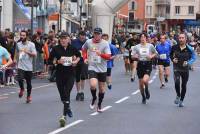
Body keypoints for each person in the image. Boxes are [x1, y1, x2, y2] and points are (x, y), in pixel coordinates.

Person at [49, 32, 81, 127]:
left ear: (68, 39)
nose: (63, 40)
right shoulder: (56, 49)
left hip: (70, 74)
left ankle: (63, 116)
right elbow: (49, 60)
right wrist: (57, 61)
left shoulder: (72, 48)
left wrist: (75, 61)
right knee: (63, 96)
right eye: (61, 38)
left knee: (67, 93)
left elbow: (79, 56)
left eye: (65, 38)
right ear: (60, 40)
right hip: (59, 75)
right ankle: (68, 107)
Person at [82, 27, 111, 112]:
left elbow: (108, 56)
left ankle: (99, 104)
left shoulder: (105, 43)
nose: (97, 35)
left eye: (98, 34)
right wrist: (85, 58)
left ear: (101, 35)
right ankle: (94, 98)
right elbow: (83, 50)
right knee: (93, 85)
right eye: (95, 33)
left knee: (102, 89)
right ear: (93, 34)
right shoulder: (88, 42)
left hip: (102, 68)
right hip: (92, 66)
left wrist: (101, 54)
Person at [170, 33, 196, 107]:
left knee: (184, 85)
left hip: (185, 69)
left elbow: (194, 57)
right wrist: (173, 59)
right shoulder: (174, 47)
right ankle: (178, 95)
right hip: (176, 68)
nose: (181, 39)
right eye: (180, 38)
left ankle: (181, 100)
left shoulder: (190, 48)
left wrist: (188, 63)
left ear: (185, 39)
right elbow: (170, 54)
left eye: (182, 38)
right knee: (177, 82)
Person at [132, 33, 157, 104]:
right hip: (140, 65)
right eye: (141, 37)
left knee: (145, 80)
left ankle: (147, 89)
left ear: (146, 38)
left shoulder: (150, 46)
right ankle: (143, 96)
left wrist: (151, 56)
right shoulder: (136, 47)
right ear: (140, 38)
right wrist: (135, 56)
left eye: (144, 37)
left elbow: (155, 53)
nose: (143, 39)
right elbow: (132, 56)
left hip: (147, 64)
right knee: (140, 84)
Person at [15, 30, 37, 103]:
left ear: (26, 36)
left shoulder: (31, 44)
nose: (22, 37)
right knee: (20, 79)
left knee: (29, 82)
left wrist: (26, 51)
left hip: (28, 66)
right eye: (21, 35)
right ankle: (22, 88)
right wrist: (15, 60)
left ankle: (28, 96)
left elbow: (34, 54)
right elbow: (17, 53)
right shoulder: (18, 44)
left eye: (23, 35)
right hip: (21, 65)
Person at [71, 31, 87, 101]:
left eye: (83, 36)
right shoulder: (74, 42)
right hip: (76, 61)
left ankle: (82, 92)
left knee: (83, 77)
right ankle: (78, 92)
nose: (82, 37)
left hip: (84, 61)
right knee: (77, 77)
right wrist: (73, 56)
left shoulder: (87, 42)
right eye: (81, 36)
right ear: (78, 36)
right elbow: (71, 50)